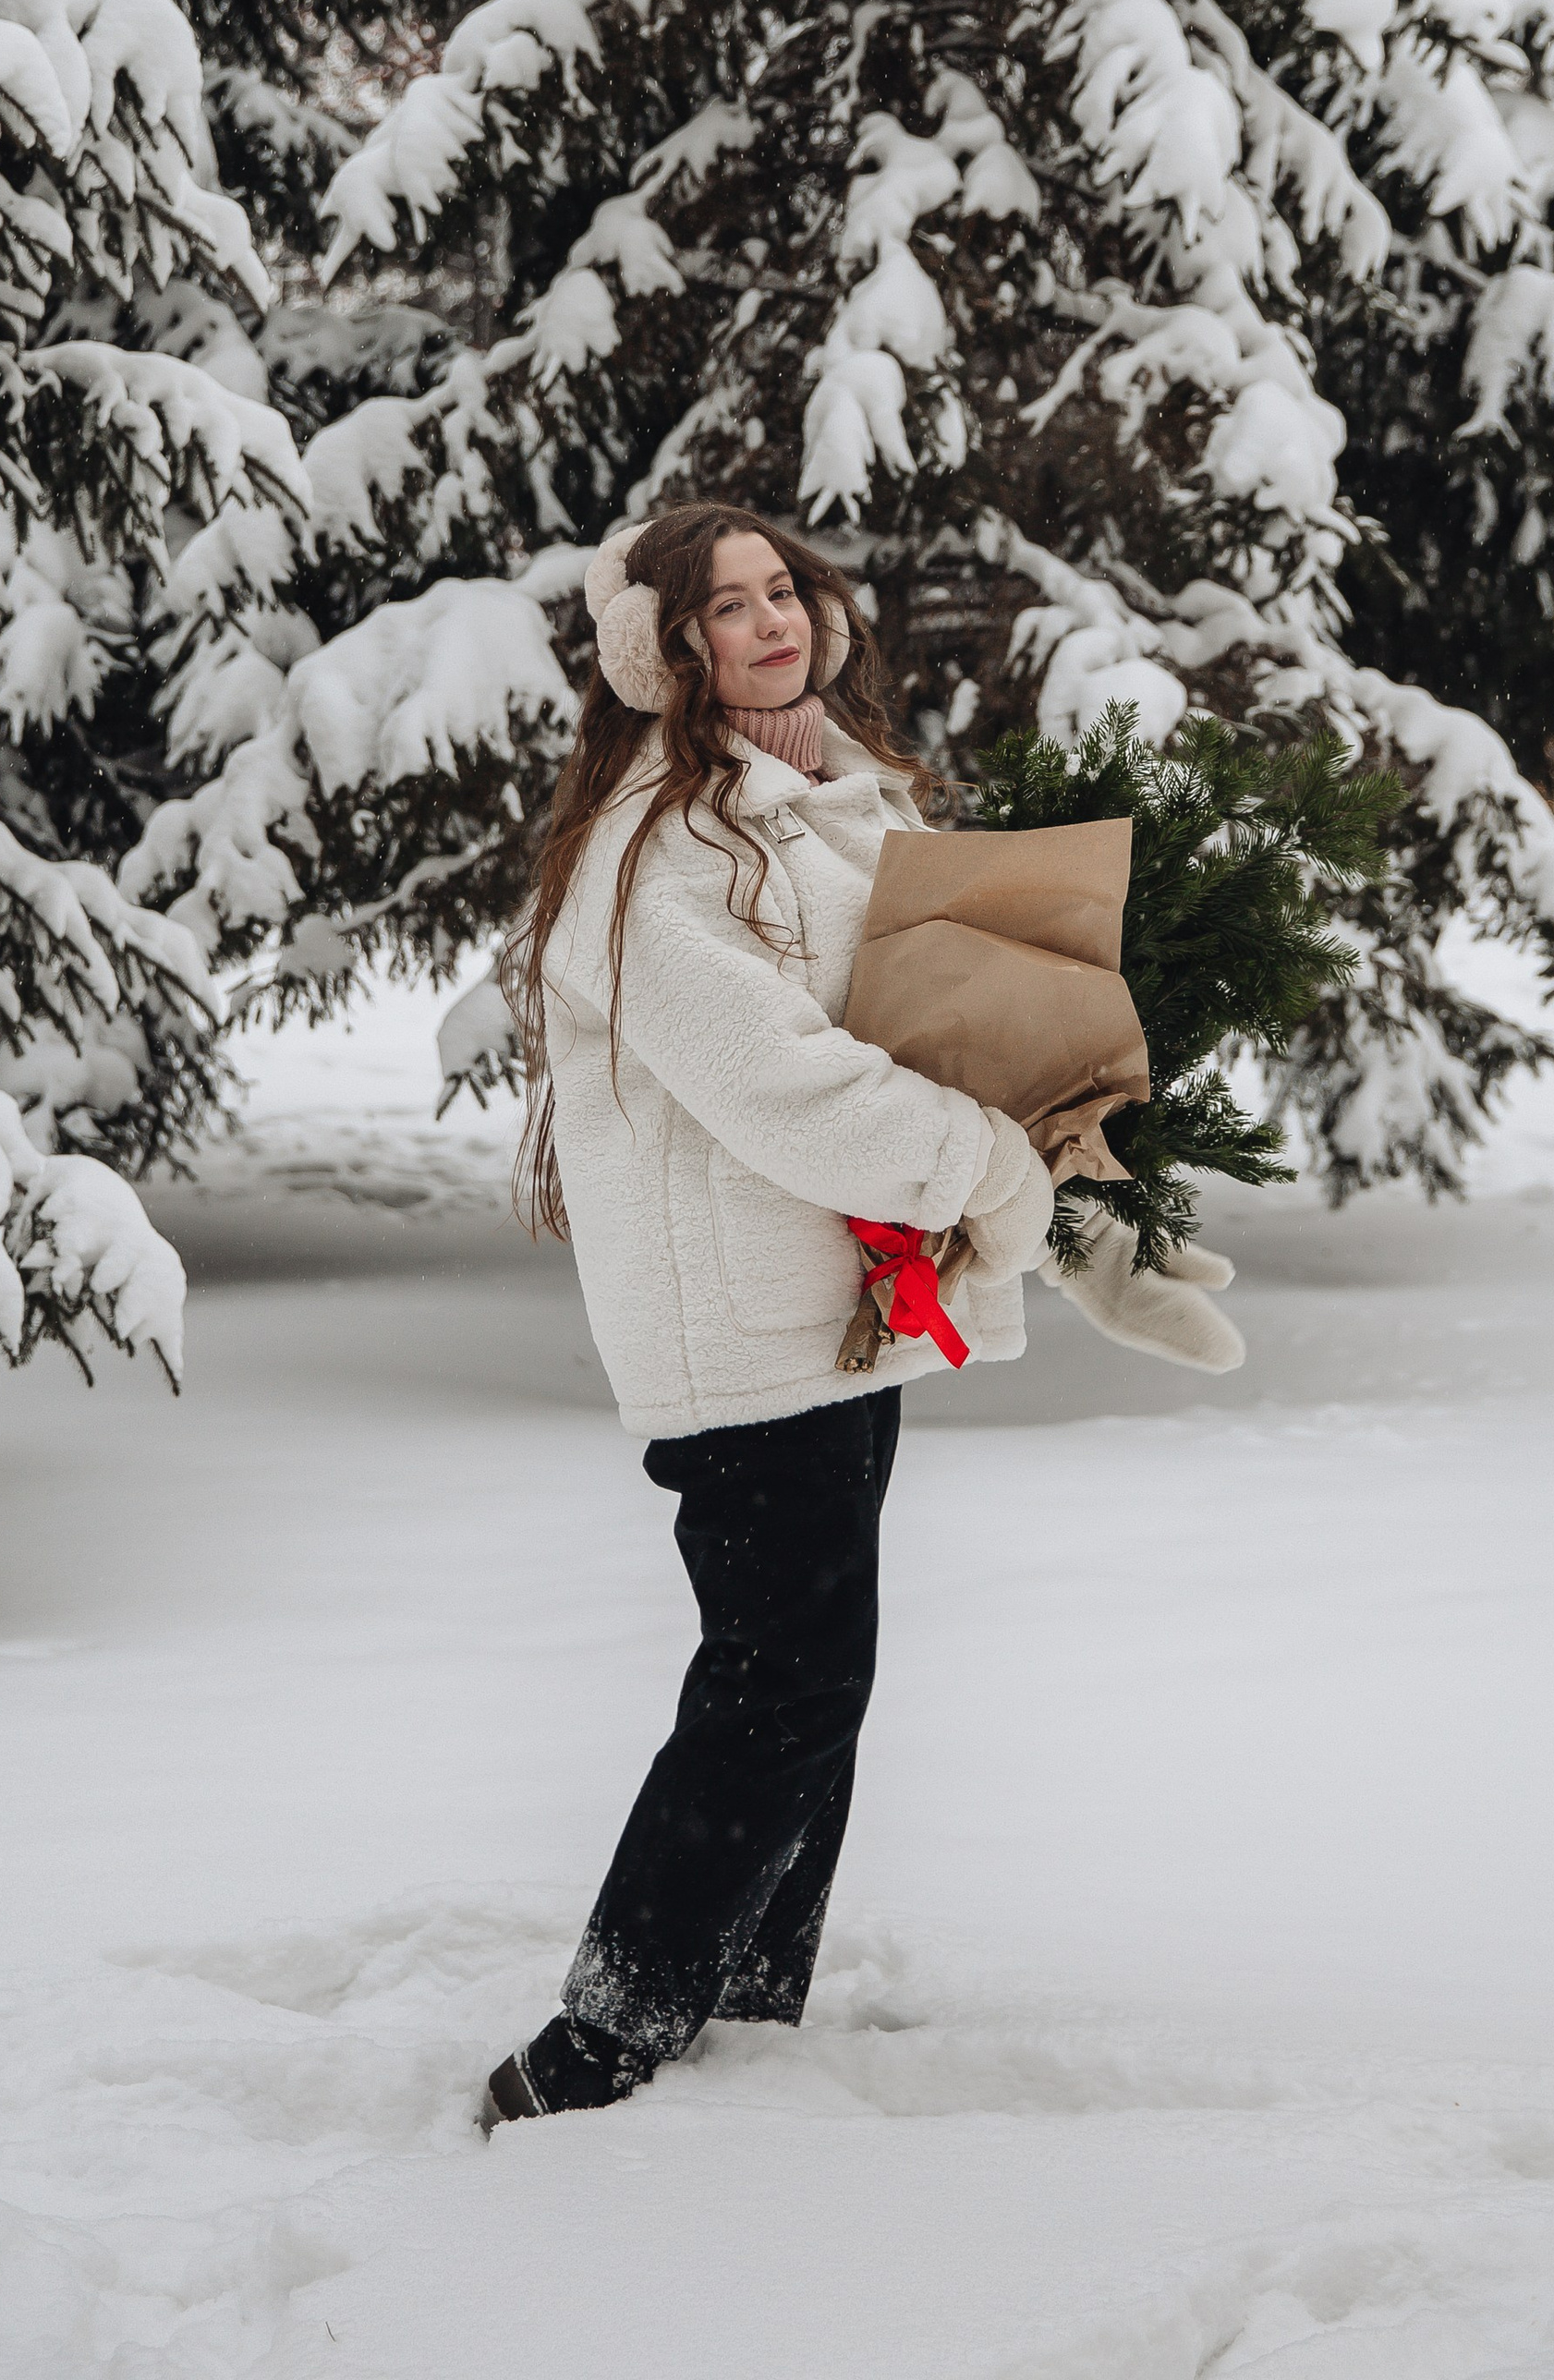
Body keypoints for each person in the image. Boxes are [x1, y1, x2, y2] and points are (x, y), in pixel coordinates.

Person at [478, 500, 1060, 2128]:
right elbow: (777, 1081)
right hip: (735, 1328)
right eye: (725, 607)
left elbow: (914, 1009)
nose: (770, 620)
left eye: (780, 589)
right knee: (778, 1680)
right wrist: (986, 1164)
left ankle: (741, 2006)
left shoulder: (823, 804)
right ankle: (590, 2051)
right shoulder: (651, 845)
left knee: (817, 1678)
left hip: (839, 1307)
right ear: (664, 652)